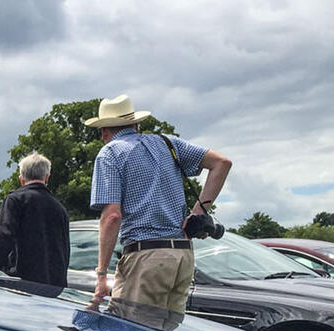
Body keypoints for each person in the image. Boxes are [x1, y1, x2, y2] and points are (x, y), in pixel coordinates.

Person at [86, 94, 232, 316]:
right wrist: (198, 213)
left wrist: (101, 274)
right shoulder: (166, 142)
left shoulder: (110, 153)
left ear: (104, 131)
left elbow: (112, 217)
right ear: (136, 124)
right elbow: (222, 163)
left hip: (145, 256)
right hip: (182, 257)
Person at [0, 152, 70, 287]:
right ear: (47, 177)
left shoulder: (15, 200)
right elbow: (64, 250)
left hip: (21, 283)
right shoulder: (60, 208)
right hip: (54, 286)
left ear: (21, 179)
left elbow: (3, 237)